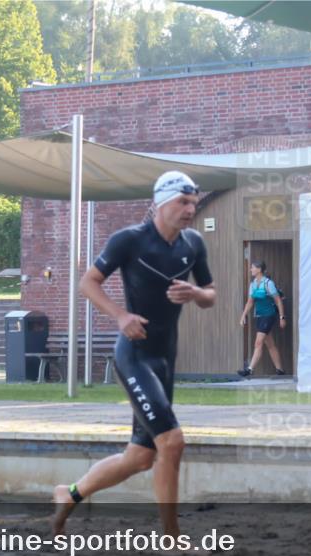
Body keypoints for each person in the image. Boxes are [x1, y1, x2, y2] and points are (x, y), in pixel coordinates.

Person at [51, 171, 216, 537]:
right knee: (172, 442)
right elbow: (87, 282)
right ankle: (171, 539)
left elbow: (211, 293)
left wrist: (195, 295)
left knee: (140, 457)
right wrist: (121, 316)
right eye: (182, 202)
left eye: (194, 203)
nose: (190, 209)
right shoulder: (129, 240)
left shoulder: (193, 244)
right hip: (135, 355)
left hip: (165, 358)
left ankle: (70, 493)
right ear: (161, 203)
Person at [238, 260, 286, 377]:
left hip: (269, 316)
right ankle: (280, 369)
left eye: (253, 268)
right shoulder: (253, 284)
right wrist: (243, 315)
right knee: (270, 344)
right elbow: (250, 302)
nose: (251, 270)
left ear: (259, 269)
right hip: (259, 317)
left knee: (258, 343)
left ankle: (249, 369)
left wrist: (282, 317)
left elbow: (278, 301)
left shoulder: (268, 283)